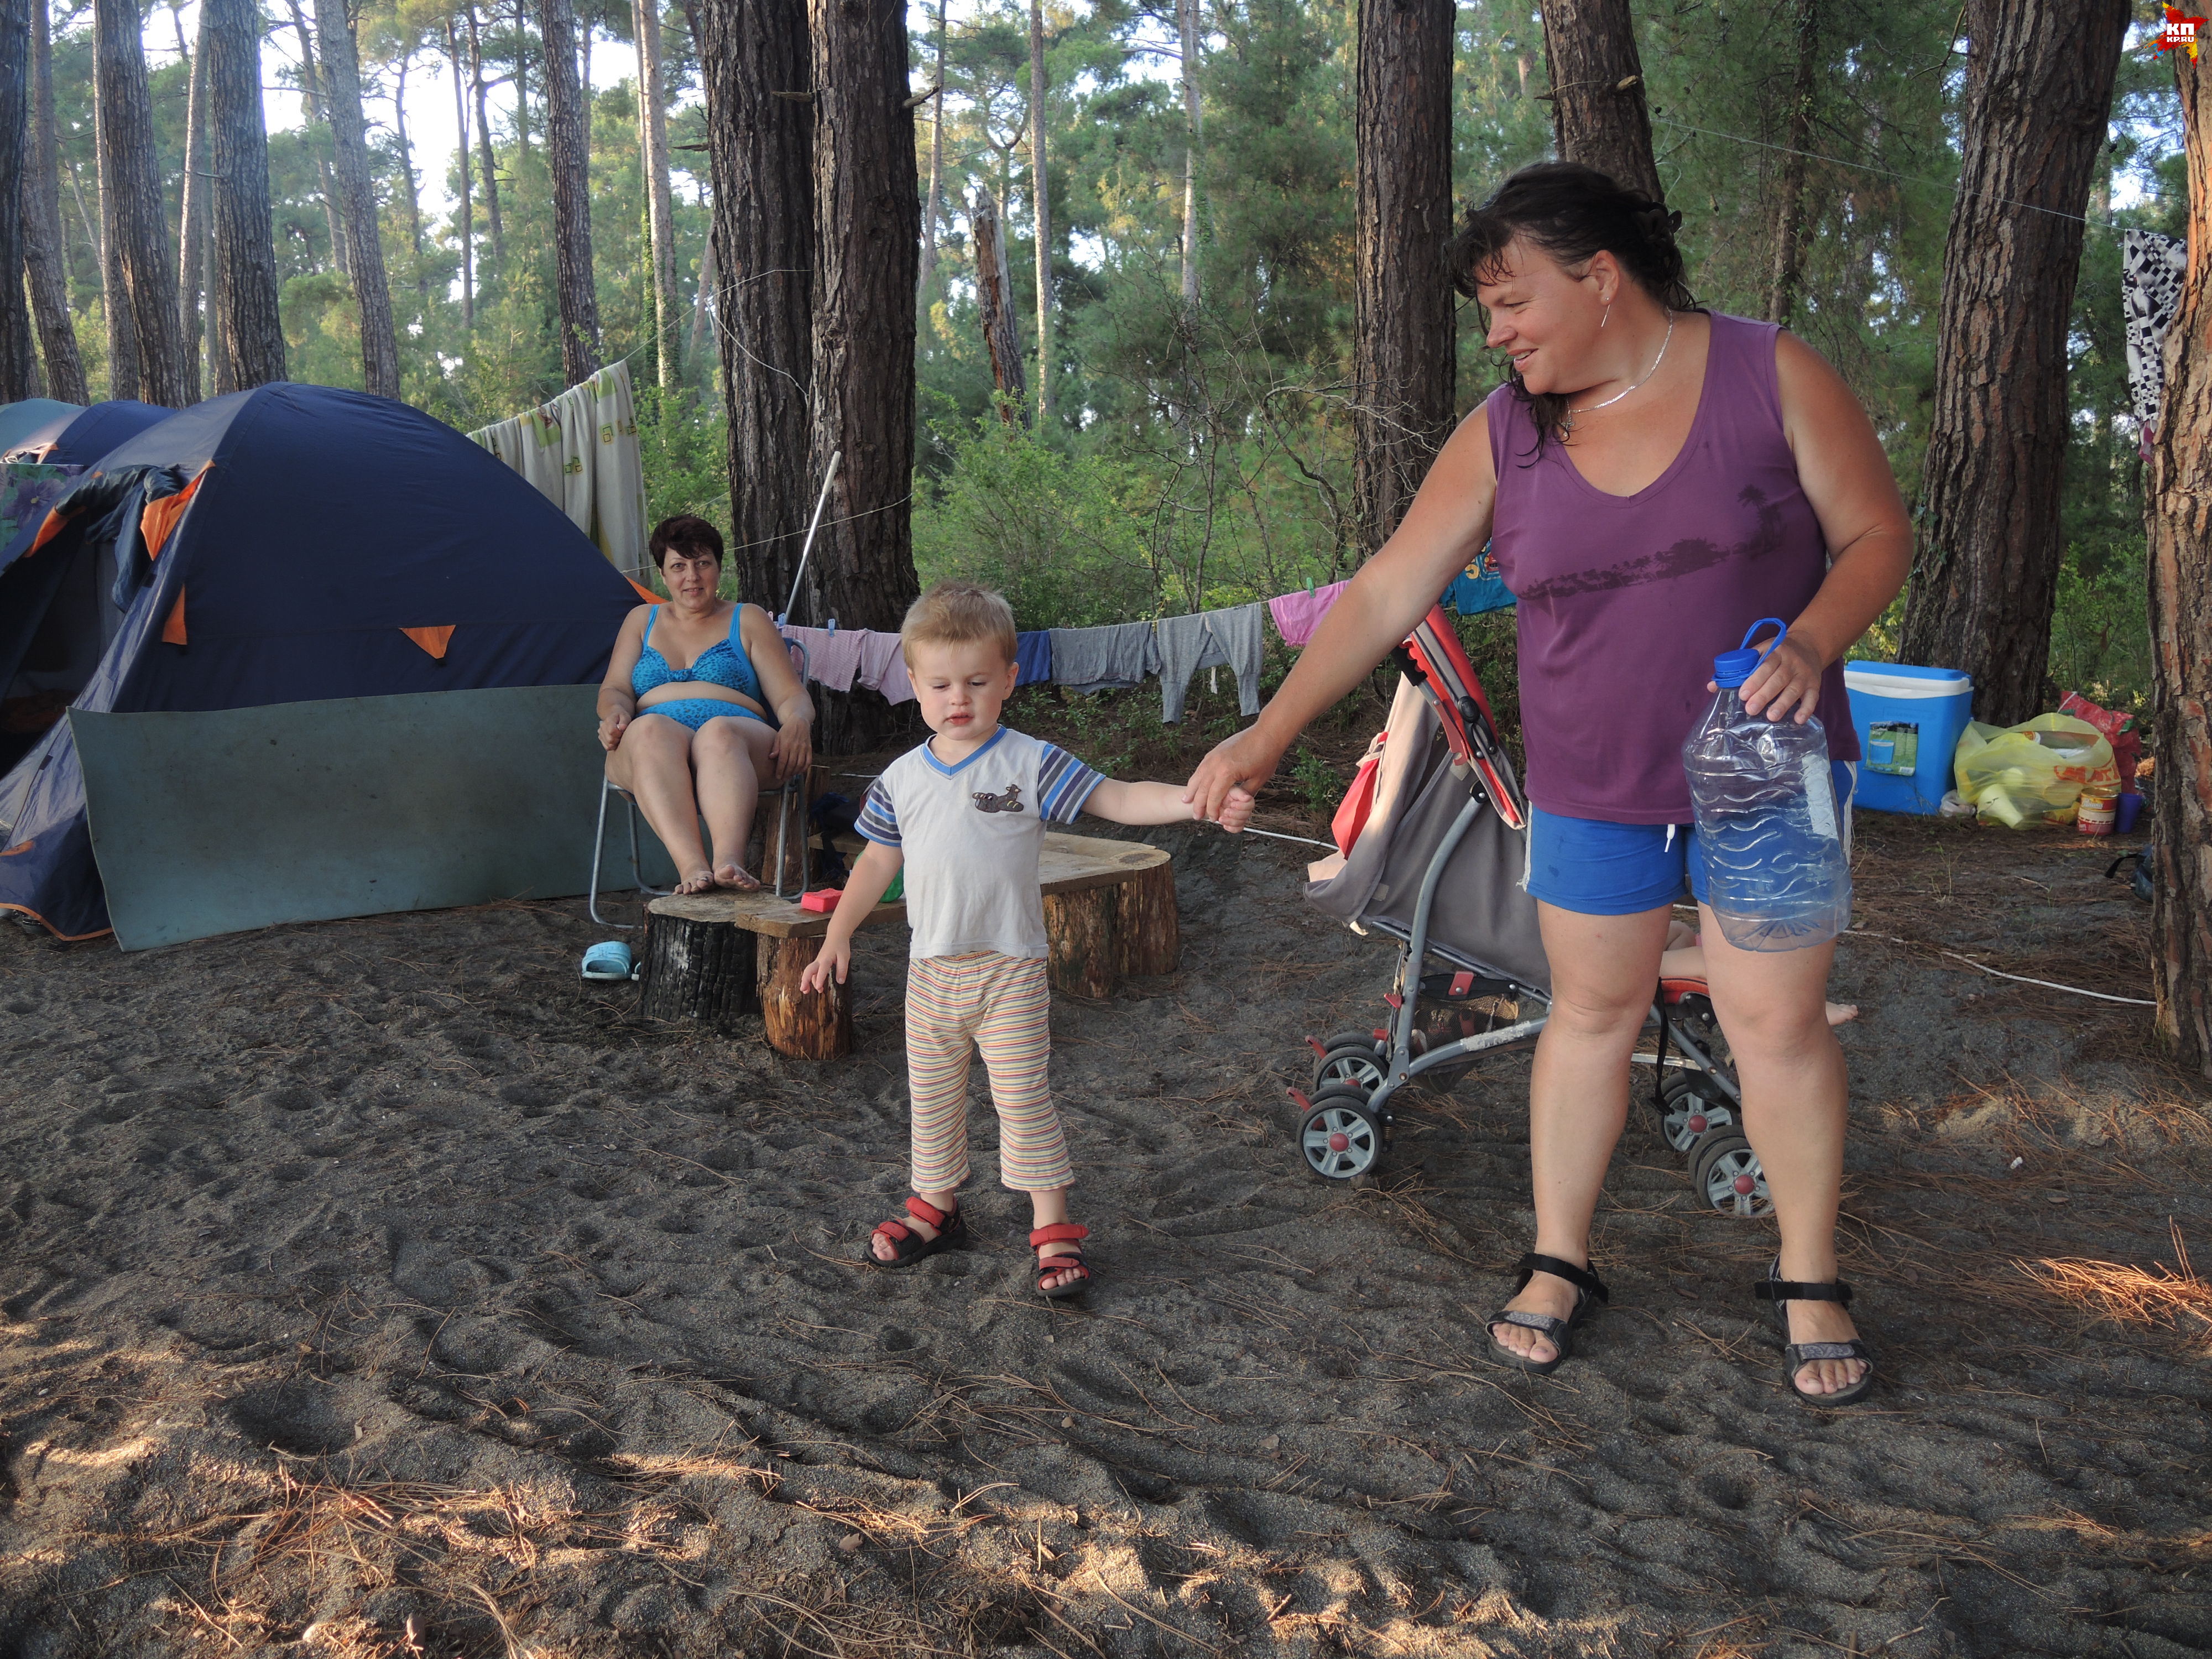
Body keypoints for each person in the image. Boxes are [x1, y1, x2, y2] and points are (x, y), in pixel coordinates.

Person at [1185, 164, 1911, 1406]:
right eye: (1484, 311)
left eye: (1511, 299)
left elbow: (1877, 536)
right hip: (1589, 785)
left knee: (1776, 1023)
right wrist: (1264, 737)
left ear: (1600, 278)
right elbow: (1382, 595)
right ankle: (1559, 1256)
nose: (1497, 330)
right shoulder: (1502, 433)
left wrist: (1809, 639)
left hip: (1767, 778)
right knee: (1589, 1014)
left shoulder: (1765, 373)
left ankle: (1807, 1274)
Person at [799, 582, 1254, 1298]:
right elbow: (877, 862)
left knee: (1022, 1099)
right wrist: (836, 935)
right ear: (912, 684)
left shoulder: (1030, 763)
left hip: (1009, 968)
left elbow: (1117, 797)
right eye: (942, 683)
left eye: (977, 682)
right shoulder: (900, 780)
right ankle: (936, 1209)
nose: (959, 698)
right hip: (931, 973)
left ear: (1009, 680)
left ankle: (1053, 1229)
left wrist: (1192, 801)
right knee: (933, 1097)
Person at [597, 517, 816, 896]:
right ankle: (692, 866)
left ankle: (728, 861)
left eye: (703, 563)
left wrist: (798, 721)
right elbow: (615, 688)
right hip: (654, 743)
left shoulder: (747, 618)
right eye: (679, 566)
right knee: (649, 730)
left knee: (718, 731)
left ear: (719, 567)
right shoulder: (640, 620)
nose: (692, 577)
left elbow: (790, 695)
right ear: (662, 575)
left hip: (740, 740)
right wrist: (614, 713)